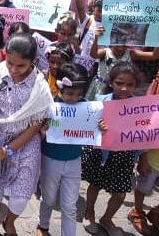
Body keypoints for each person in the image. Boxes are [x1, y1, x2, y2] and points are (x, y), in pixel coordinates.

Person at [0, 33, 53, 236]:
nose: (14, 70)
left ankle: (9, 222)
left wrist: (6, 151)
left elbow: (37, 124)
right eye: (10, 63)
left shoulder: (40, 87)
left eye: (21, 66)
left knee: (22, 195)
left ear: (32, 62)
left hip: (26, 142)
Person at [37, 62, 105, 236]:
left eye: (79, 94)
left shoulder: (88, 109)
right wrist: (43, 129)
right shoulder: (50, 106)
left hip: (74, 160)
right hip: (50, 159)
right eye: (69, 93)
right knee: (49, 198)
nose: (74, 98)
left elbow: (93, 131)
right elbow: (41, 135)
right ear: (60, 88)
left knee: (69, 204)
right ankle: (43, 225)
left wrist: (100, 127)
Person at [81, 62, 141, 235]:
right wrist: (98, 127)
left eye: (130, 84)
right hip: (102, 153)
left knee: (121, 193)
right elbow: (88, 127)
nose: (124, 88)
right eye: (119, 83)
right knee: (95, 184)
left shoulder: (140, 107)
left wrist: (142, 156)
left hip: (125, 155)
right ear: (111, 82)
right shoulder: (101, 102)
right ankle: (89, 212)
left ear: (136, 85)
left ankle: (107, 218)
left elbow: (144, 132)